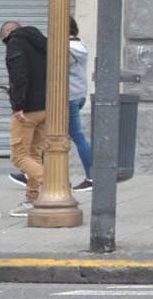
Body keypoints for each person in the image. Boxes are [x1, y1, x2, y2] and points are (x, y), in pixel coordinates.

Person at [1, 21, 48, 218]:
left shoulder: (16, 43)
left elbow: (19, 74)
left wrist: (17, 104)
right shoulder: (42, 43)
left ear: (7, 34)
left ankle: (55, 185)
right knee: (34, 155)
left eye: (4, 41)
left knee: (19, 156)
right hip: (46, 108)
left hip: (27, 110)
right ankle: (32, 199)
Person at [67, 17, 93, 192]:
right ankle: (32, 173)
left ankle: (92, 176)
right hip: (79, 95)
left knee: (77, 135)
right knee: (49, 134)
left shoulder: (66, 48)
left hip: (68, 97)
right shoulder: (79, 44)